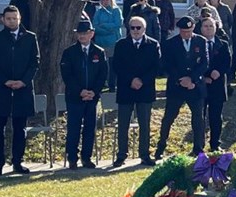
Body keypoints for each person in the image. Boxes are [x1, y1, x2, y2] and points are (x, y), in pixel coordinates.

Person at [0, 5, 38, 176]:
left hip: (22, 90)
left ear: (20, 19)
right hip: (0, 90)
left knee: (20, 129)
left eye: (14, 18)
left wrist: (23, 81)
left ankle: (18, 162)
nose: (12, 21)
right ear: (3, 19)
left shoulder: (30, 38)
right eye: (8, 18)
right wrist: (5, 81)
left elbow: (34, 62)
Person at [155, 16, 209, 158]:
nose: (187, 34)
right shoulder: (170, 43)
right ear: (180, 30)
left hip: (194, 86)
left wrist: (192, 80)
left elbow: (204, 63)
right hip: (176, 87)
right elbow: (166, 65)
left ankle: (198, 148)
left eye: (190, 31)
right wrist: (180, 80)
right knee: (169, 118)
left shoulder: (201, 41)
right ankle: (160, 147)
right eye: (184, 31)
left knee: (198, 118)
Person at [111, 16, 161, 167]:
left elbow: (156, 67)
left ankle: (145, 155)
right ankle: (121, 155)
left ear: (144, 29)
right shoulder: (121, 44)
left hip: (145, 90)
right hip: (126, 89)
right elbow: (117, 66)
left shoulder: (153, 44)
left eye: (138, 28)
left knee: (144, 124)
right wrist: (131, 80)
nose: (135, 31)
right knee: (123, 124)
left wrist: (142, 80)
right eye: (132, 28)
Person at [60, 17, 108, 170]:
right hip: (75, 97)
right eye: (79, 33)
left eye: (85, 33)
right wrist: (80, 91)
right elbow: (67, 75)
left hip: (92, 98)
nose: (82, 36)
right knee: (73, 128)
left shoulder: (99, 52)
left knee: (89, 128)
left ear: (91, 34)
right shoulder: (69, 52)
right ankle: (72, 158)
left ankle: (86, 157)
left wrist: (94, 92)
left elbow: (103, 74)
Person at [199, 15, 231, 151]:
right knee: (199, 117)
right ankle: (198, 145)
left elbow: (227, 62)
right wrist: (204, 76)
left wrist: (218, 71)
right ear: (201, 28)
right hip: (201, 85)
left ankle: (215, 144)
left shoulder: (223, 44)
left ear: (216, 27)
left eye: (211, 26)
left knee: (216, 117)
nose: (208, 28)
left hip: (217, 86)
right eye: (205, 26)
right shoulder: (196, 42)